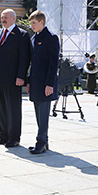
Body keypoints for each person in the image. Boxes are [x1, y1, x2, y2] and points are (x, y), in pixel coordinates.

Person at [0, 8, 31, 148]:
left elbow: (25, 58)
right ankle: (3, 135)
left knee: (13, 109)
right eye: (1, 17)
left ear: (13, 18)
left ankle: (14, 137)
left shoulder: (22, 35)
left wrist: (21, 76)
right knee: (1, 108)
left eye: (5, 17)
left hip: (13, 79)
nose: (3, 20)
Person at [27, 10, 59, 154]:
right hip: (35, 82)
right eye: (31, 23)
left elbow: (53, 63)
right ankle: (43, 141)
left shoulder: (51, 38)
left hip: (46, 83)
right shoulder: (34, 38)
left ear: (41, 22)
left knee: (44, 114)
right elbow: (32, 63)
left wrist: (50, 84)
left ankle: (41, 142)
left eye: (34, 23)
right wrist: (29, 81)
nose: (31, 25)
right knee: (38, 114)